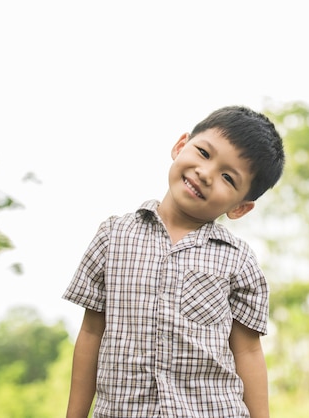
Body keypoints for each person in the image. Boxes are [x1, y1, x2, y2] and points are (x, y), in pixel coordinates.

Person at [63, 105, 285, 418]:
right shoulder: (113, 235)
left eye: (227, 178)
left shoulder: (238, 260)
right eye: (204, 153)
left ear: (240, 208)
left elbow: (248, 351)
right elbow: (90, 333)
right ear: (181, 145)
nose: (206, 174)